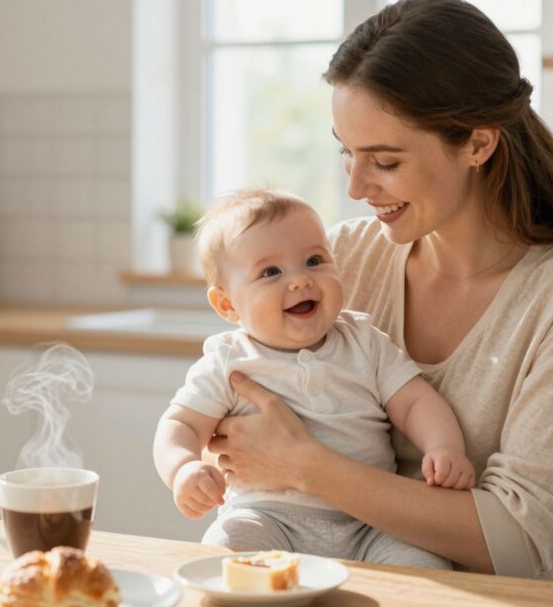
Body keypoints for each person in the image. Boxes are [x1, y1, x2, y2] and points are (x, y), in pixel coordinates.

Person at [207, 0, 553, 584]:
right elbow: (237, 425)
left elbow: (520, 540)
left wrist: (304, 466)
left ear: (478, 143)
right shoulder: (342, 261)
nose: (356, 187)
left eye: (386, 162)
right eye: (347, 153)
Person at [153, 187, 475, 570]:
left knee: (424, 563)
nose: (299, 281)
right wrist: (184, 469)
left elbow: (415, 401)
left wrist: (443, 447)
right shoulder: (228, 359)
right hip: (269, 518)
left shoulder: (363, 339)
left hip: (372, 521)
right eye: (271, 272)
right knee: (225, 549)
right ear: (227, 304)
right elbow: (180, 425)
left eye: (314, 260)